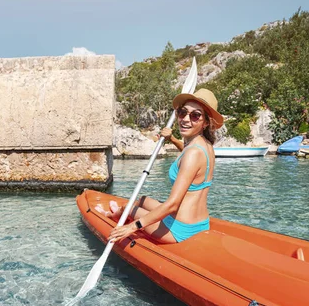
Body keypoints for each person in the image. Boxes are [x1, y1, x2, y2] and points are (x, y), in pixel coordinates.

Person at [96, 88, 224, 244]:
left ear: (205, 122)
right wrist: (172, 139)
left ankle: (113, 216)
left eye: (195, 115)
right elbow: (189, 158)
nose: (185, 119)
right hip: (199, 223)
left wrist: (133, 227)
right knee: (142, 200)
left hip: (178, 229)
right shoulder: (205, 146)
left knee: (129, 208)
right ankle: (122, 212)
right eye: (183, 112)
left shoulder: (193, 154)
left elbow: (173, 205)